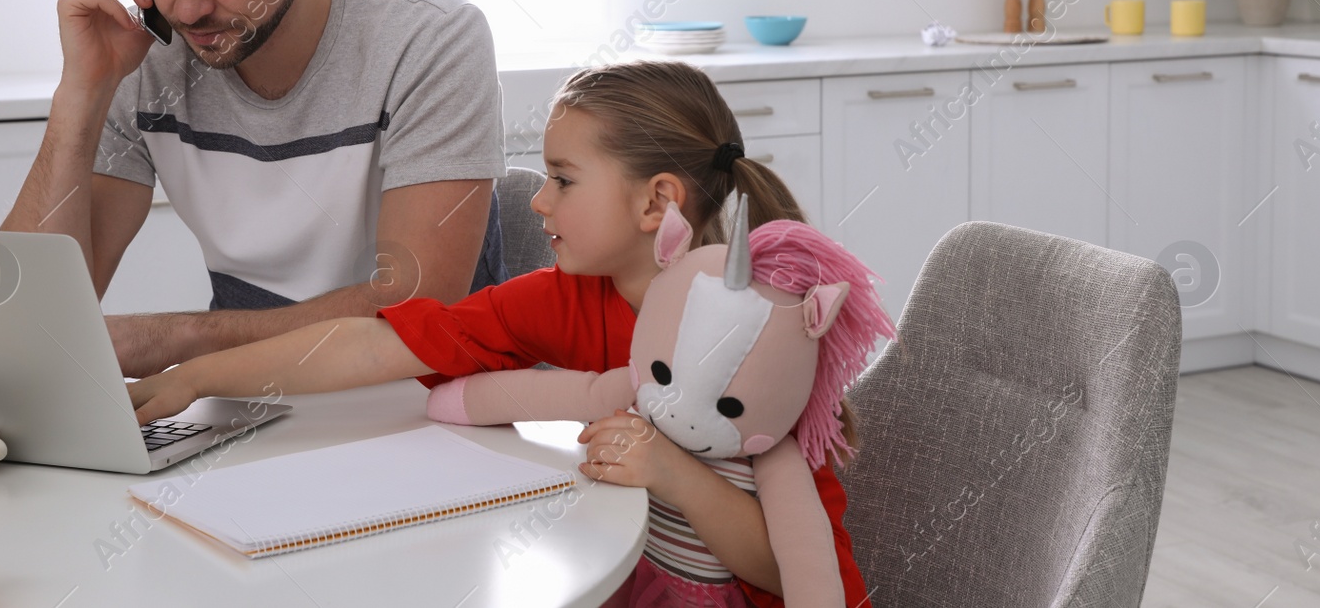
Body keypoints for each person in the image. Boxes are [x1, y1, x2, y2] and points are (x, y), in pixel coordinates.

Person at [128, 60, 875, 605]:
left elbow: (790, 569)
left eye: (563, 178)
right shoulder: (567, 297)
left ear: (657, 202)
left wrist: (676, 474)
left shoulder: (765, 339)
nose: (539, 201)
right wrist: (197, 374)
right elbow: (370, 342)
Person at [1, 0, 507, 378]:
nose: (187, 8)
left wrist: (175, 339)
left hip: (422, 407)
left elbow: (417, 308)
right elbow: (27, 320)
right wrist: (81, 91)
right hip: (239, 398)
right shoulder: (144, 54)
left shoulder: (429, 38)